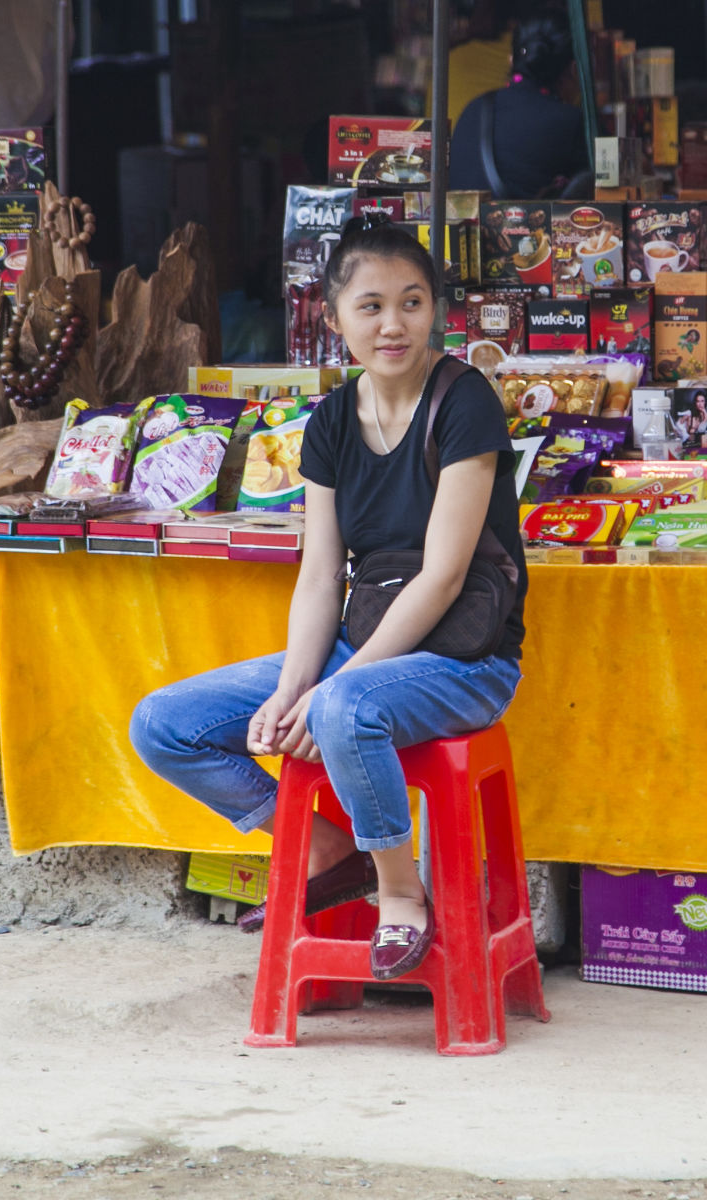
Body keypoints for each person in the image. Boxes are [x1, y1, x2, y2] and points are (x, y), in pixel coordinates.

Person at [129, 219, 526, 980]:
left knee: (346, 711)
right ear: (333, 316)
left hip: (464, 660)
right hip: (366, 643)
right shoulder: (333, 422)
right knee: (164, 725)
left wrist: (333, 690)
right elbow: (319, 574)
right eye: (370, 306)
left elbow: (442, 577)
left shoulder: (466, 402)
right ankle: (322, 851)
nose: (393, 324)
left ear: (434, 310)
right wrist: (291, 689)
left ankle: (401, 895)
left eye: (412, 303)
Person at [452, 16, 592, 197]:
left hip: (458, 224)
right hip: (517, 225)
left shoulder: (474, 108)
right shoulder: (570, 121)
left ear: (511, 61)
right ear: (574, 70)